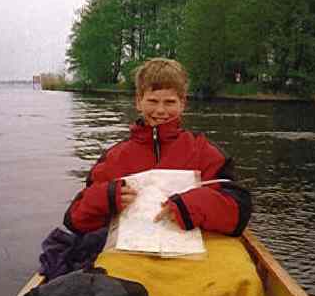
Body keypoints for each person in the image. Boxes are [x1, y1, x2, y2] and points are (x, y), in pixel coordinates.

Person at [63, 57, 251, 237]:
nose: (160, 110)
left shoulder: (205, 153)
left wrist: (193, 205)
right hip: (130, 254)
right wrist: (106, 198)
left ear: (182, 103)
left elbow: (239, 214)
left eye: (169, 102)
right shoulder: (113, 158)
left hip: (192, 255)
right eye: (152, 101)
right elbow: (75, 221)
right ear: (138, 102)